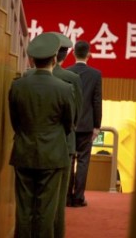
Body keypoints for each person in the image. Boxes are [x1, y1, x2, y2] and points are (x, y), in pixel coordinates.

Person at [8, 32, 75, 238]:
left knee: (24, 208)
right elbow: (69, 123)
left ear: (32, 59)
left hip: (23, 151)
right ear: (55, 58)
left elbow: (15, 122)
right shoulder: (65, 89)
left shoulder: (17, 86)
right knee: (47, 209)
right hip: (53, 155)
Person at [26, 33, 82, 234]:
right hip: (62, 145)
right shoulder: (71, 79)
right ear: (62, 56)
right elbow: (75, 116)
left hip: (28, 145)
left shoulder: (25, 78)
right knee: (55, 204)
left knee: (27, 203)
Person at [66, 39, 103, 207]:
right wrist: (97, 126)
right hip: (87, 124)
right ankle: (78, 197)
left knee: (69, 160)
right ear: (89, 55)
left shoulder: (66, 72)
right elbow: (97, 101)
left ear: (73, 53)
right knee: (83, 161)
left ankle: (66, 197)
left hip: (69, 124)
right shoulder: (95, 74)